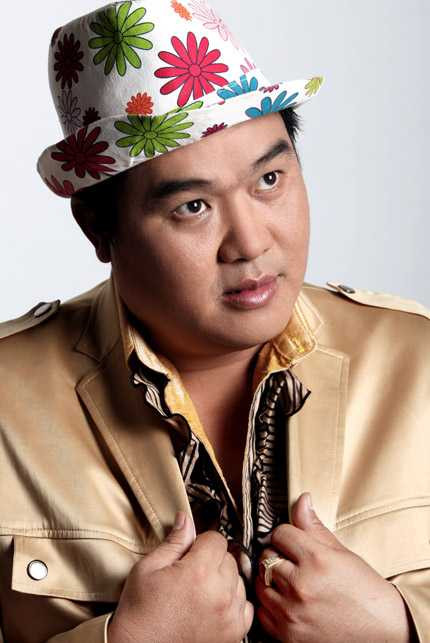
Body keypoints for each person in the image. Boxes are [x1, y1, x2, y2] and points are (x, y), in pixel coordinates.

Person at [0, 0, 428, 641]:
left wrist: (399, 628)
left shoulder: (419, 361)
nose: (251, 243)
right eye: (193, 206)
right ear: (97, 227)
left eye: (270, 179)